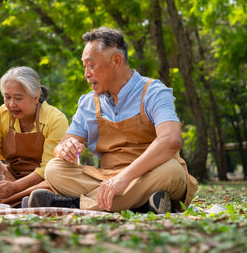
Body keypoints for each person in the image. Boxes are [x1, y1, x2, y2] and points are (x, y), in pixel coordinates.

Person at [28, 27, 198, 213]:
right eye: (84, 67)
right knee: (54, 169)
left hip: (154, 174)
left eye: (92, 66)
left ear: (116, 61)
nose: (86, 74)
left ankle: (73, 205)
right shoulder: (88, 103)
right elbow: (62, 146)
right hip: (107, 179)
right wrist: (65, 149)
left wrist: (124, 178)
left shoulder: (153, 92)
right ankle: (141, 205)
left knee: (171, 170)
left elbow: (171, 140)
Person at [0, 67, 69, 206]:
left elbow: (49, 168)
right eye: (7, 97)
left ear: (36, 97)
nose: (11, 104)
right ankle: (23, 202)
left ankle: (3, 202)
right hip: (10, 176)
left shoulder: (55, 119)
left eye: (18, 98)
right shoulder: (3, 113)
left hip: (41, 180)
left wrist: (14, 188)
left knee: (50, 186)